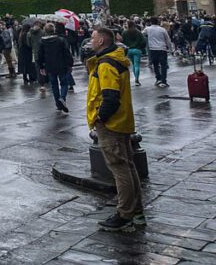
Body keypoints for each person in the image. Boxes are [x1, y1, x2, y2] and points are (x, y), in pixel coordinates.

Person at [87, 26, 144, 232]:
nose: (91, 41)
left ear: (102, 41)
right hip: (123, 121)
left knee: (119, 168)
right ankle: (135, 210)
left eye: (93, 38)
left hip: (111, 124)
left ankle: (124, 213)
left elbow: (110, 97)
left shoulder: (106, 65)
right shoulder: (116, 59)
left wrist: (100, 118)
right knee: (127, 166)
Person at [38, 23, 74, 113]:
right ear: (54, 30)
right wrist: (70, 64)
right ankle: (62, 98)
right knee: (64, 83)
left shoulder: (42, 42)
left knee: (54, 85)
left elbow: (40, 55)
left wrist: (41, 66)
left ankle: (58, 104)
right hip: (61, 64)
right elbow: (67, 52)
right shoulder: (61, 40)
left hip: (49, 66)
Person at [144, 17, 174, 87]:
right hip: (162, 48)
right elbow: (168, 40)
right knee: (163, 65)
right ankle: (164, 80)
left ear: (151, 22)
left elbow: (142, 33)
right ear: (158, 22)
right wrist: (171, 49)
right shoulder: (162, 29)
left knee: (155, 65)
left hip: (152, 49)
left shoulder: (148, 29)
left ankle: (158, 78)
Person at [121, 20, 146, 86]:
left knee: (133, 64)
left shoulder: (124, 32)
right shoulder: (138, 32)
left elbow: (122, 41)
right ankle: (136, 79)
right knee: (137, 65)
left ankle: (135, 77)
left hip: (129, 50)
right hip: (137, 49)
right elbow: (143, 41)